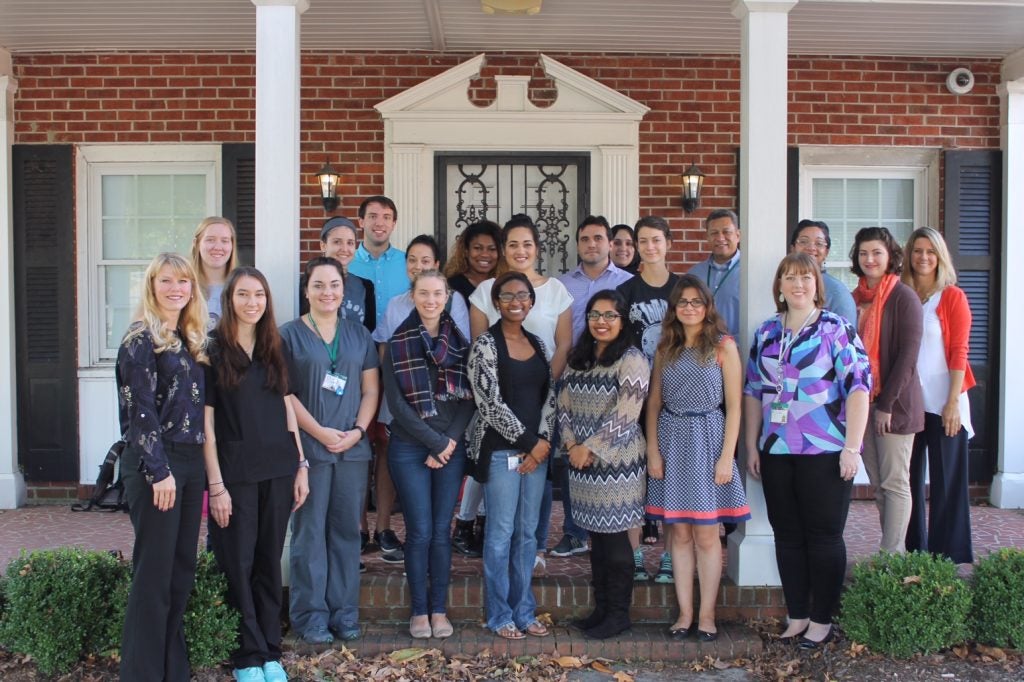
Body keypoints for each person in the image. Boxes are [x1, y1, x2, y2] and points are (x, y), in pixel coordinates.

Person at [744, 252, 871, 650]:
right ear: (779, 286)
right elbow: (753, 392)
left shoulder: (836, 329)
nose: (798, 284)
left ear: (817, 284)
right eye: (790, 278)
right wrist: (752, 444)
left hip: (826, 449)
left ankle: (822, 619)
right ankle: (797, 614)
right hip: (777, 449)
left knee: (824, 537)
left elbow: (859, 388)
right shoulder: (766, 332)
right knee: (788, 535)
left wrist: (853, 447)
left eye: (805, 278)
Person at [203, 267, 310, 682]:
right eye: (243, 294)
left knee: (268, 561)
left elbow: (287, 409)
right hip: (235, 474)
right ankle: (245, 655)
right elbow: (207, 428)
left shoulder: (275, 347)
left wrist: (301, 464)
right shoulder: (212, 351)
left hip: (279, 469)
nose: (252, 302)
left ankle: (269, 650)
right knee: (238, 562)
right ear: (230, 300)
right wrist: (216, 486)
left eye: (259, 295)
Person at [116, 252, 209, 681]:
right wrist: (159, 470)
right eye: (166, 281)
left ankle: (173, 671)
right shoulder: (141, 339)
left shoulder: (189, 339)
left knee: (179, 574)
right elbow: (140, 412)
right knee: (153, 577)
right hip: (158, 464)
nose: (176, 288)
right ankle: (142, 674)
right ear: (152, 286)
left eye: (183, 281)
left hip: (189, 463)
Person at [645, 275, 749, 643]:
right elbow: (654, 403)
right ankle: (684, 613)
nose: (689, 308)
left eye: (696, 302)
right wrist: (653, 450)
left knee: (707, 534)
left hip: (708, 438)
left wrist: (726, 458)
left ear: (707, 308)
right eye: (682, 302)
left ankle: (707, 615)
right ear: (674, 309)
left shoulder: (723, 346)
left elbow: (735, 407)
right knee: (680, 534)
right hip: (672, 439)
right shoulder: (665, 347)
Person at [281, 257, 380, 645]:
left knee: (345, 533)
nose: (327, 292)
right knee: (309, 534)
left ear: (344, 290)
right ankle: (310, 617)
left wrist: (358, 430)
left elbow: (371, 389)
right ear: (306, 290)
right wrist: (320, 432)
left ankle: (344, 613)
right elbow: (285, 395)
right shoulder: (288, 335)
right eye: (319, 285)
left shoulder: (359, 335)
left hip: (352, 450)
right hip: (308, 449)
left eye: (334, 285)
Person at [469, 214, 573, 576]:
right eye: (512, 243)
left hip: (541, 405)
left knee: (534, 501)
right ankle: (501, 598)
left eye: (527, 243)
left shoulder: (556, 291)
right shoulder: (484, 294)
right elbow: (483, 356)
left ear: (538, 248)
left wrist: (546, 398)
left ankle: (537, 551)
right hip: (500, 418)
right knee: (502, 515)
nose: (520, 250)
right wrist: (525, 435)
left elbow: (562, 346)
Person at [382, 269, 475, 639]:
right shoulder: (397, 343)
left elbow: (470, 400)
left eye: (438, 293)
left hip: (450, 447)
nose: (431, 300)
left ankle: (439, 609)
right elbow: (397, 406)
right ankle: (418, 611)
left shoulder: (461, 344)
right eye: (424, 293)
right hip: (409, 447)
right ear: (413, 295)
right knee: (419, 531)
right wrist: (436, 443)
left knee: (441, 530)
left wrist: (447, 442)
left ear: (447, 295)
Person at [467, 272, 556, 640]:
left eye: (523, 295)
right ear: (496, 302)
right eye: (507, 296)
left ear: (531, 302)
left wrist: (543, 442)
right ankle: (499, 613)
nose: (515, 301)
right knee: (501, 533)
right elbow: (489, 404)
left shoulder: (537, 343)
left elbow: (549, 396)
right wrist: (527, 443)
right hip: (501, 450)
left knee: (526, 534)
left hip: (537, 452)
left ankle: (524, 611)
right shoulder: (485, 346)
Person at [558, 290, 649, 639]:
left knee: (615, 542)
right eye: (595, 314)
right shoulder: (578, 357)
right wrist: (571, 444)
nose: (602, 321)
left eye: (610, 315)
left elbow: (627, 413)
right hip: (580, 462)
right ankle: (601, 609)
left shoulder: (632, 359)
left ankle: (618, 614)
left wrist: (591, 449)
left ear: (623, 320)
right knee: (597, 540)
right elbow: (562, 402)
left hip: (617, 463)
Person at [552, 215, 633, 559]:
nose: (591, 244)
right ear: (578, 243)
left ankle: (618, 528)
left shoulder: (628, 282)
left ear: (610, 243)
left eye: (598, 238)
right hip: (576, 374)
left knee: (610, 454)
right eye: (585, 239)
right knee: (572, 454)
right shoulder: (561, 285)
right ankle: (574, 531)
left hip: (616, 378)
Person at [903, 227, 975, 564]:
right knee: (909, 481)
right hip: (910, 404)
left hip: (945, 400)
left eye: (930, 251)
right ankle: (915, 551)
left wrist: (952, 402)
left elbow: (960, 350)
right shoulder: (902, 294)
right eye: (918, 250)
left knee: (947, 482)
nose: (923, 257)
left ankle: (950, 555)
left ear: (940, 256)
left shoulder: (951, 296)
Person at [850, 226, 924, 554]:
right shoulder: (855, 298)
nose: (870, 259)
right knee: (879, 486)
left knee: (895, 483)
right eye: (864, 253)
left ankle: (892, 556)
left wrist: (886, 404)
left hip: (895, 406)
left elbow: (908, 356)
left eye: (877, 252)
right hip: (863, 404)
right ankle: (892, 552)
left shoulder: (903, 296)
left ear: (890, 256)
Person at [615, 215, 679, 583]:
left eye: (656, 240)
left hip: (675, 397)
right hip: (634, 399)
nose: (650, 247)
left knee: (673, 479)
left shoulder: (684, 288)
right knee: (632, 480)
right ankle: (636, 555)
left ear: (668, 243)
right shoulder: (627, 292)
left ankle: (669, 556)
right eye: (643, 241)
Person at [346, 196, 405, 561]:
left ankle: (383, 527)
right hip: (350, 367)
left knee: (385, 445)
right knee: (356, 446)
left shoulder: (405, 264)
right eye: (372, 216)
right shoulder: (347, 262)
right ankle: (357, 528)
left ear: (394, 223)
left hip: (392, 367)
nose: (379, 222)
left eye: (386, 217)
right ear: (361, 221)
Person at [300, 216, 376, 331]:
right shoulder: (306, 283)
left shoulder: (365, 286)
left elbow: (369, 330)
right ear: (323, 245)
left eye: (350, 243)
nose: (345, 249)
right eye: (337, 242)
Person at [789, 219, 857, 324]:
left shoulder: (837, 292)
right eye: (803, 242)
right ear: (792, 248)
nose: (811, 248)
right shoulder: (786, 284)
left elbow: (847, 336)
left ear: (826, 252)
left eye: (819, 243)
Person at [687, 209, 741, 337]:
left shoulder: (750, 273)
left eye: (726, 232)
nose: (720, 238)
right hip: (700, 351)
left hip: (740, 351)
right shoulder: (694, 274)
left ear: (738, 235)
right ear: (707, 237)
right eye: (714, 233)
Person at [190, 216, 238, 323]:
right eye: (210, 240)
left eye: (225, 241)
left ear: (232, 245)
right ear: (196, 244)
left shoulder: (241, 287)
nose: (217, 247)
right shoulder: (183, 287)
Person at [444, 220, 503, 302]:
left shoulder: (505, 283)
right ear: (466, 251)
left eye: (492, 249)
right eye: (477, 248)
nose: (484, 254)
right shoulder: (453, 286)